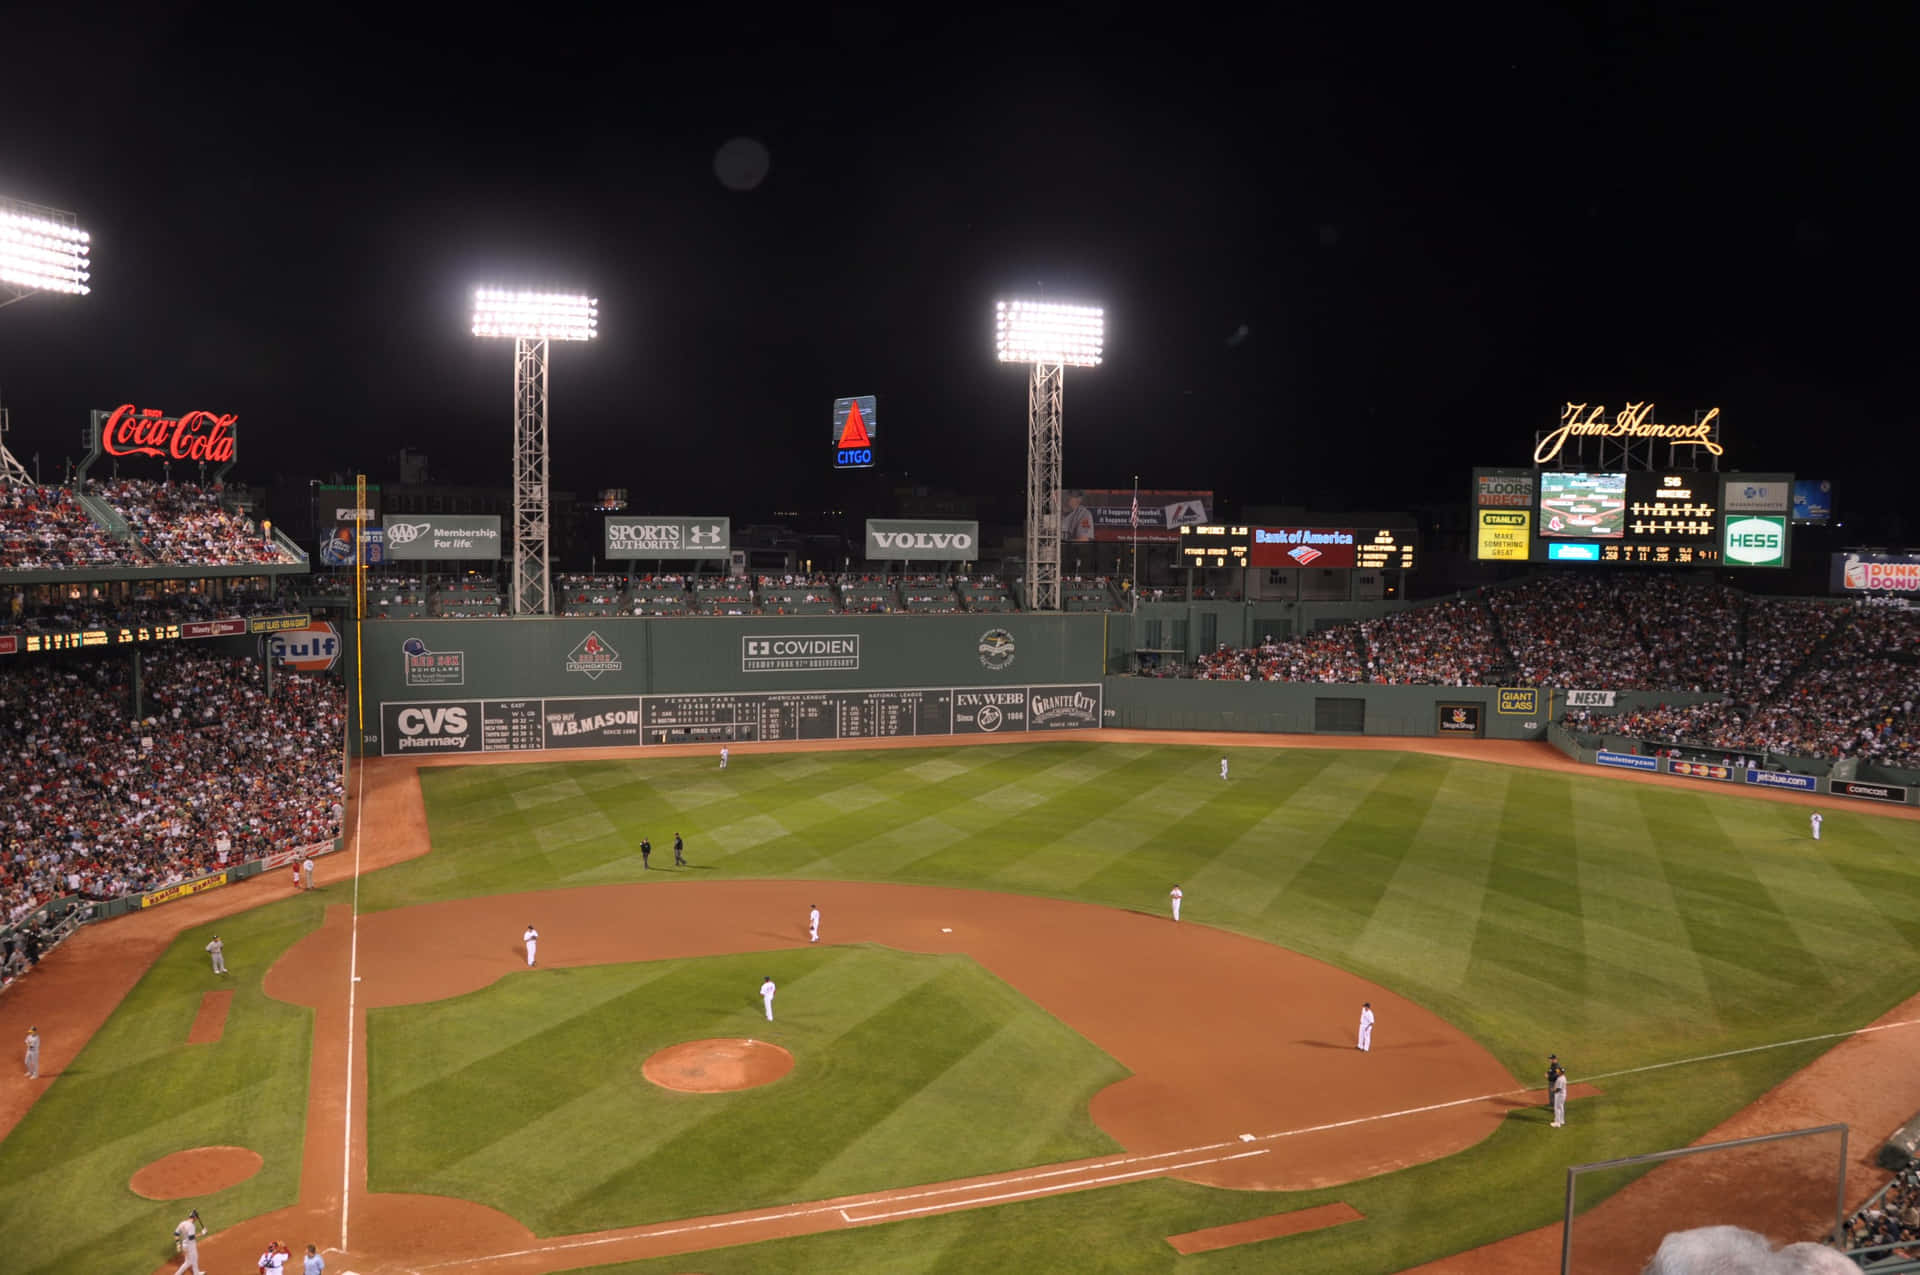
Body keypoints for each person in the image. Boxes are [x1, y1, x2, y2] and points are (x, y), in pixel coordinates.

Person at [173, 1208, 206, 1275]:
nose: (196, 1219)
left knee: (194, 1258)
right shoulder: (191, 1226)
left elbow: (176, 1233)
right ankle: (177, 1274)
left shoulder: (182, 1223)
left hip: (184, 1245)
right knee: (189, 1261)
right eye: (196, 1218)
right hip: (190, 1246)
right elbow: (191, 1237)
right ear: (194, 1217)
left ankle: (196, 1273)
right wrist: (202, 1233)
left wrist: (178, 1244)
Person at [1551, 1063, 1569, 1127]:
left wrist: (1553, 1090)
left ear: (1561, 1073)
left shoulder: (1561, 1079)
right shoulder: (1563, 1077)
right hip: (1562, 1094)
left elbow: (1558, 1089)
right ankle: (1562, 1120)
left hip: (1559, 1095)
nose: (1557, 1072)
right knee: (1561, 1107)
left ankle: (1557, 1123)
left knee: (1557, 1108)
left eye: (1558, 1072)